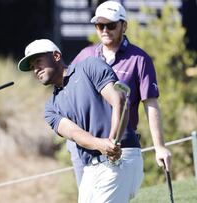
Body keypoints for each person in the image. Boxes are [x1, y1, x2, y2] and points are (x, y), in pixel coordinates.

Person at [18, 38, 144, 202]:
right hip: (91, 168)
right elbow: (75, 133)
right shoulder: (51, 108)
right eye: (32, 67)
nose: (36, 70)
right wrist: (101, 145)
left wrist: (113, 141)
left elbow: (118, 101)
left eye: (38, 62)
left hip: (122, 155)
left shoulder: (89, 66)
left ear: (56, 56)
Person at [67, 0, 172, 187]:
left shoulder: (139, 59)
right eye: (100, 25)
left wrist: (160, 147)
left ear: (124, 26)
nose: (105, 30)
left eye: (111, 25)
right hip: (85, 145)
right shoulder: (85, 55)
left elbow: (151, 104)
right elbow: (66, 88)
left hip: (120, 145)